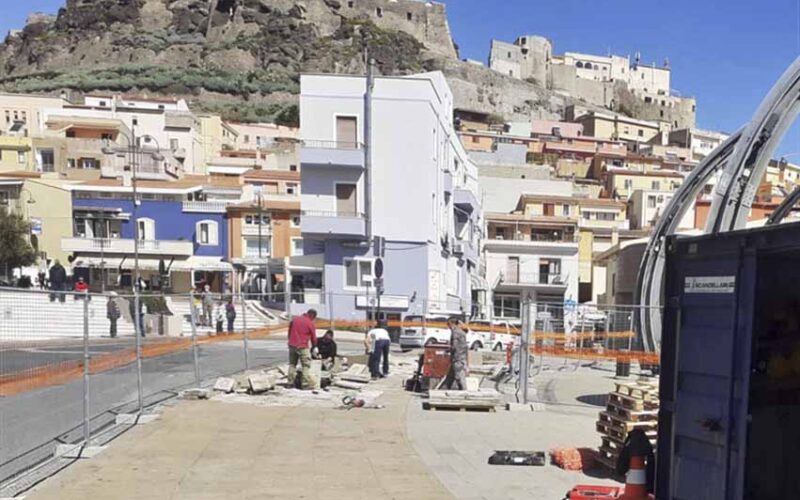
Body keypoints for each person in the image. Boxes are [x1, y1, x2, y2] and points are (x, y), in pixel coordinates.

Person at [287, 309, 318, 389]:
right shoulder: (310, 323)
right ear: (313, 316)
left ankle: (290, 383)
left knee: (292, 364)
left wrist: (290, 341)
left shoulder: (295, 320)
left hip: (292, 345)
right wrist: (315, 346)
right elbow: (313, 337)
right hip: (303, 346)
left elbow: (289, 332)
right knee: (306, 365)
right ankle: (304, 384)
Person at [444, 316, 469, 390]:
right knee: (450, 378)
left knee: (459, 377)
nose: (448, 327)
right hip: (461, 357)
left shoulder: (455, 332)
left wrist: (447, 351)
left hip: (457, 358)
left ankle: (464, 392)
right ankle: (449, 391)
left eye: (448, 324)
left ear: (451, 323)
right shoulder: (461, 331)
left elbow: (454, 346)